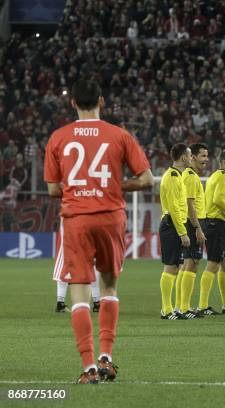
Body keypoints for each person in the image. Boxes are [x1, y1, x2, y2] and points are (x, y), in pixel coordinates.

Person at [44, 79, 153, 384]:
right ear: (101, 102)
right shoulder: (119, 135)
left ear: (72, 103)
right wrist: (114, 186)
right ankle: (107, 358)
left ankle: (89, 367)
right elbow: (146, 180)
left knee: (79, 289)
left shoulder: (59, 137)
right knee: (108, 287)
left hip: (77, 218)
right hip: (110, 218)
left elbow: (53, 188)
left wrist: (81, 188)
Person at [198, 149, 225, 315]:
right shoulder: (224, 177)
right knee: (213, 264)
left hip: (214, 223)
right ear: (224, 162)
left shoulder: (214, 175)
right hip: (216, 224)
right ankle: (202, 306)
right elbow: (218, 199)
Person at [174, 143, 209, 318]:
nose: (206, 159)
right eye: (202, 156)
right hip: (194, 222)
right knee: (192, 264)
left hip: (194, 222)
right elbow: (189, 204)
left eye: (207, 156)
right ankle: (184, 308)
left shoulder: (191, 175)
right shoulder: (189, 176)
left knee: (188, 264)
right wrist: (197, 228)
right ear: (192, 157)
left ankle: (181, 306)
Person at [159, 143, 192, 320]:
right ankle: (166, 309)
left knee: (175, 266)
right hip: (172, 224)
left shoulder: (178, 175)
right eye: (189, 155)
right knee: (171, 266)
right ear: (183, 157)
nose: (191, 158)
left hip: (176, 224)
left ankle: (170, 308)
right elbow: (173, 207)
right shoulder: (172, 176)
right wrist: (182, 232)